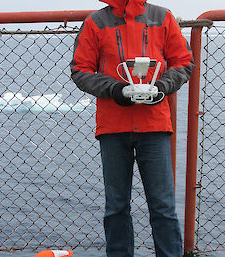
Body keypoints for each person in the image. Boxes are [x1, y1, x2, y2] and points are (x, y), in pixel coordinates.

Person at [70, 0, 194, 256]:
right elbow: (81, 70)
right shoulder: (95, 22)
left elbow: (183, 62)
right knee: (116, 207)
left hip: (154, 126)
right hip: (114, 128)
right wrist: (115, 89)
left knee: (163, 207)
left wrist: (161, 87)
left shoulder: (162, 17)